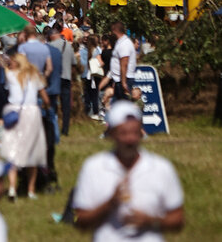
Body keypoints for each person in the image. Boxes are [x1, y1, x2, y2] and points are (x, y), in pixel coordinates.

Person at [73, 101, 184, 240]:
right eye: (123, 133)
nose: (130, 139)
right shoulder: (93, 167)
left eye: (135, 133)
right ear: (112, 134)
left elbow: (178, 219)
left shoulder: (161, 168)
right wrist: (109, 205)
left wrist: (150, 221)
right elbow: (80, 221)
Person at [0, 52, 49, 202]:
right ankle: (31, 190)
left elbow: (5, 73)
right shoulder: (34, 75)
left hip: (14, 111)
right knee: (33, 151)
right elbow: (45, 96)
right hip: (32, 113)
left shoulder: (10, 76)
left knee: (13, 150)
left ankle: (13, 187)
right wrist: (47, 107)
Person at [109, 22, 136, 101]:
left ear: (115, 30)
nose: (111, 33)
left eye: (111, 31)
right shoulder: (119, 42)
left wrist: (123, 82)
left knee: (124, 105)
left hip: (125, 80)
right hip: (119, 80)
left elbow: (124, 63)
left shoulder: (124, 44)